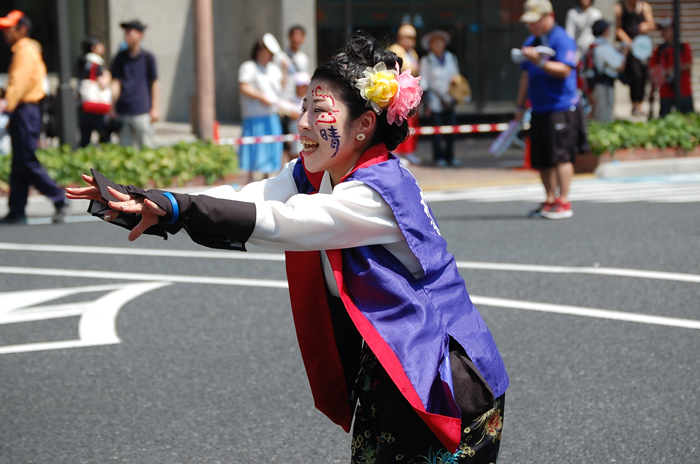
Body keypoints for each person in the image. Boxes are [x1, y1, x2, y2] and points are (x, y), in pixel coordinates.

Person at [66, 31, 509, 463]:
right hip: (393, 366)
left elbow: (286, 222)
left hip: (445, 379)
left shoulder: (376, 192)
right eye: (303, 108)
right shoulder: (321, 174)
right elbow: (252, 198)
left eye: (319, 111)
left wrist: (180, 208)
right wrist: (159, 202)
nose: (302, 124)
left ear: (364, 125)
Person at [515, 0, 587, 220]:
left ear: (550, 17)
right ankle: (549, 199)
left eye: (535, 22)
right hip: (539, 107)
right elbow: (526, 75)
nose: (532, 27)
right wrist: (519, 104)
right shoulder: (531, 41)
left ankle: (564, 201)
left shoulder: (561, 38)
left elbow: (565, 69)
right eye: (529, 23)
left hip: (561, 106)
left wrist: (540, 62)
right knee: (542, 157)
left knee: (561, 156)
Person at [0, 10, 66, 225]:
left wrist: (7, 106)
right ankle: (17, 210)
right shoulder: (24, 50)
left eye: (10, 27)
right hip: (25, 109)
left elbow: (19, 83)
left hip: (26, 109)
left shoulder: (24, 51)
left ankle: (59, 198)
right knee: (20, 163)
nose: (6, 32)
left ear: (23, 29)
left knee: (26, 160)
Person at [238, 37, 284, 183]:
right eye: (262, 52)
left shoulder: (273, 69)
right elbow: (244, 86)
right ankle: (250, 180)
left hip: (272, 115)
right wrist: (260, 97)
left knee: (271, 149)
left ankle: (267, 180)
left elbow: (280, 87)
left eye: (267, 53)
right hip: (254, 116)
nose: (264, 55)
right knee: (255, 150)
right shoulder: (249, 67)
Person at [110, 19, 159, 149]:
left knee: (147, 147)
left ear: (140, 35)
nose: (127, 36)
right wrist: (112, 107)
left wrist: (155, 107)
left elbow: (154, 83)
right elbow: (116, 83)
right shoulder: (119, 58)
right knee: (125, 150)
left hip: (141, 109)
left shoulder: (148, 57)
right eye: (125, 33)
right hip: (123, 109)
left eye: (130, 33)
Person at [420, 30, 462, 167]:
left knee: (452, 130)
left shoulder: (451, 58)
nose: (438, 44)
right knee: (436, 131)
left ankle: (450, 155)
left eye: (440, 41)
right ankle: (438, 157)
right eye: (434, 42)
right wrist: (426, 103)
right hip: (435, 101)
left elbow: (456, 77)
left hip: (449, 100)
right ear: (430, 45)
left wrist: (455, 96)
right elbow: (424, 82)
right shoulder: (427, 60)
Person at [388, 24, 422, 165]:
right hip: (398, 92)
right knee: (398, 121)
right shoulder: (395, 50)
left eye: (411, 38)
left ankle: (409, 152)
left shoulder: (412, 52)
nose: (409, 40)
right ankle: (397, 151)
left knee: (411, 122)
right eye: (406, 37)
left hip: (410, 92)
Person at [615, 0, 655, 117]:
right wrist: (629, 42)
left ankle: (641, 104)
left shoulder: (645, 7)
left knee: (644, 76)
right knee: (635, 76)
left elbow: (652, 24)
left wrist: (647, 25)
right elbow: (618, 29)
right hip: (630, 49)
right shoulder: (620, 8)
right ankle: (635, 105)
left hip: (643, 48)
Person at [650, 18, 695, 118]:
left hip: (683, 91)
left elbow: (689, 64)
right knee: (665, 121)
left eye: (666, 30)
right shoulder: (658, 50)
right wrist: (652, 93)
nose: (663, 33)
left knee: (689, 120)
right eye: (662, 30)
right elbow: (653, 72)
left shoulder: (683, 46)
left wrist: (673, 69)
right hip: (665, 93)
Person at [278, 25, 310, 163]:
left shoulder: (303, 58)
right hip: (285, 102)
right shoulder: (280, 57)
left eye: (300, 35)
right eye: (294, 35)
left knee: (297, 141)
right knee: (285, 142)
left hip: (299, 103)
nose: (297, 38)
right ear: (289, 37)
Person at [589, 19, 630, 122]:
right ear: (605, 30)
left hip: (599, 85)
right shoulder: (603, 48)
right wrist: (626, 50)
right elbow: (620, 66)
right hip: (603, 87)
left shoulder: (597, 45)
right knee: (604, 118)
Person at [77, 36, 112, 147]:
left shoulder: (82, 62)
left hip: (84, 106)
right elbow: (103, 84)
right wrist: (108, 75)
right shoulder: (96, 63)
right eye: (100, 45)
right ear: (94, 48)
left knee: (85, 141)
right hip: (97, 109)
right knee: (106, 140)